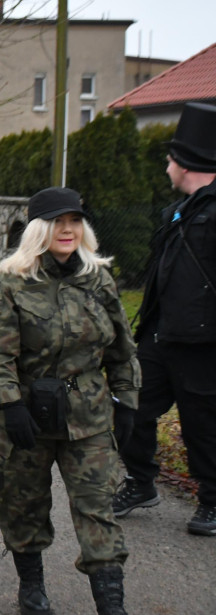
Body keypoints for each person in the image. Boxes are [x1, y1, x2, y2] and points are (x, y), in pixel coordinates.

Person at [0, 187, 139, 615]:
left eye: (75, 221)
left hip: (88, 416)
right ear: (39, 230)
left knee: (97, 507)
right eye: (57, 222)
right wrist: (10, 405)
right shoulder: (14, 279)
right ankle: (32, 588)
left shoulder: (98, 278)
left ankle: (112, 606)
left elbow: (122, 348)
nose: (68, 230)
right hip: (25, 413)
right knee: (22, 503)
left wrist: (128, 400)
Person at [113, 102, 216, 538]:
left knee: (203, 426)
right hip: (159, 336)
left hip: (204, 343)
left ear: (186, 163)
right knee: (128, 405)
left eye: (171, 158)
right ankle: (140, 481)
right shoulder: (177, 213)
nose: (166, 165)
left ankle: (212, 501)